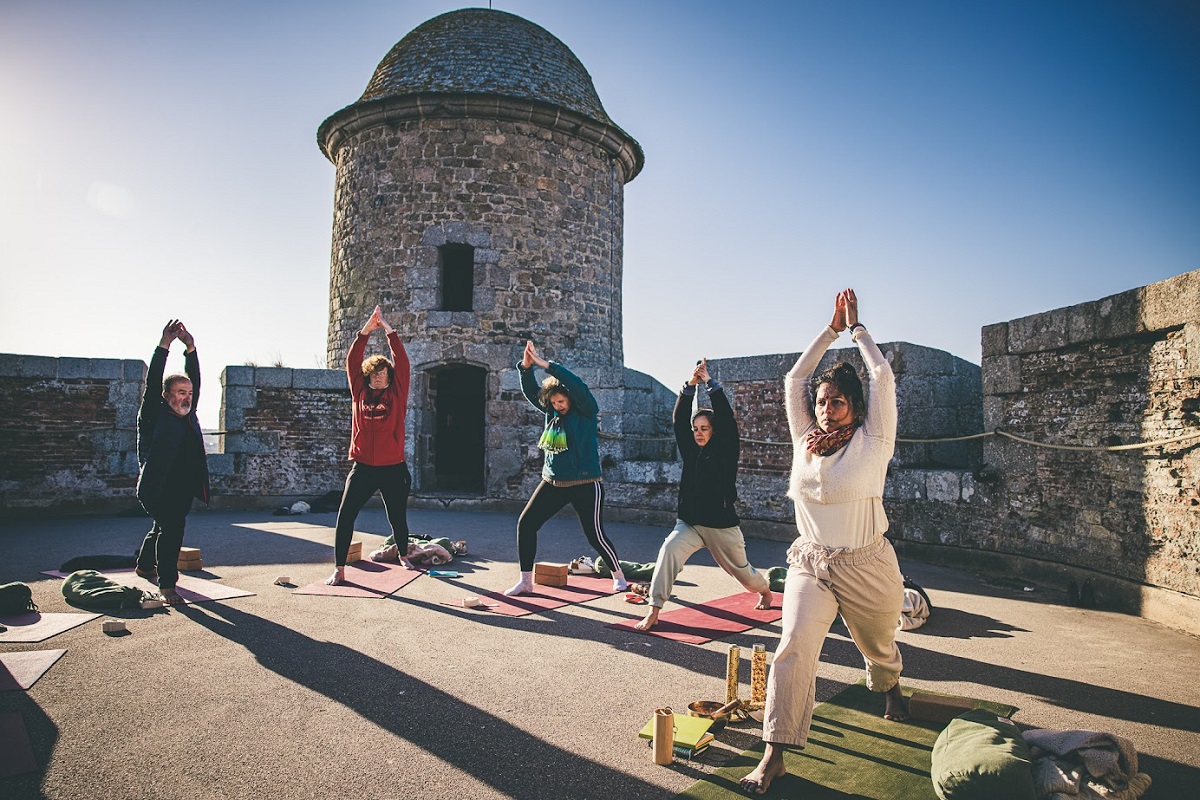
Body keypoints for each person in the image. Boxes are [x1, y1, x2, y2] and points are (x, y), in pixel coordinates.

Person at [740, 288, 907, 795]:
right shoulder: (803, 440)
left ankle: (889, 683)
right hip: (810, 563)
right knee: (791, 649)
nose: (825, 407)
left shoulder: (874, 439)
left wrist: (857, 332)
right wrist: (828, 331)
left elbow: (882, 376)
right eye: (821, 401)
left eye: (836, 401)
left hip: (867, 563)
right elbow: (794, 378)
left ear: (855, 408)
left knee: (877, 646)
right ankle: (775, 755)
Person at [635, 359, 771, 631]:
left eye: (704, 429)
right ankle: (654, 609)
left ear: (714, 430)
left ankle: (765, 590)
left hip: (721, 525)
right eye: (696, 429)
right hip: (689, 523)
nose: (698, 433)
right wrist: (689, 387)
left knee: (743, 575)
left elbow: (727, 418)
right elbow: (678, 420)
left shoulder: (726, 449)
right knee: (668, 551)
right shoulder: (690, 448)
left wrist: (709, 383)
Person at [505, 341, 627, 596]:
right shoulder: (551, 412)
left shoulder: (586, 411)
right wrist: (526, 369)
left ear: (570, 398)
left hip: (585, 483)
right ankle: (526, 581)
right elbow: (531, 392)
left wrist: (546, 366)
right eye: (554, 402)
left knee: (595, 535)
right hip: (554, 483)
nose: (558, 405)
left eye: (561, 401)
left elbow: (578, 385)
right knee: (526, 524)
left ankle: (618, 575)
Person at [325, 305, 413, 585]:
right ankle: (339, 568)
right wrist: (364, 331)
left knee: (396, 516)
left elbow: (404, 364)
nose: (378, 376)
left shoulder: (397, 393)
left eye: (383, 373)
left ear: (389, 376)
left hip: (392, 468)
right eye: (374, 373)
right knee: (346, 515)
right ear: (368, 376)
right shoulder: (359, 392)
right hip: (363, 466)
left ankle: (403, 553)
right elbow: (352, 360)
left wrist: (389, 331)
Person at [135, 320, 210, 605]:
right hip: (156, 486)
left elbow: (196, 381)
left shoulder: (188, 415)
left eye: (189, 394)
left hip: (180, 486)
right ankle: (167, 586)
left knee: (163, 526)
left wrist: (191, 348)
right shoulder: (154, 414)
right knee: (172, 528)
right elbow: (153, 381)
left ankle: (144, 565)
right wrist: (164, 345)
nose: (187, 397)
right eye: (181, 392)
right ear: (167, 396)